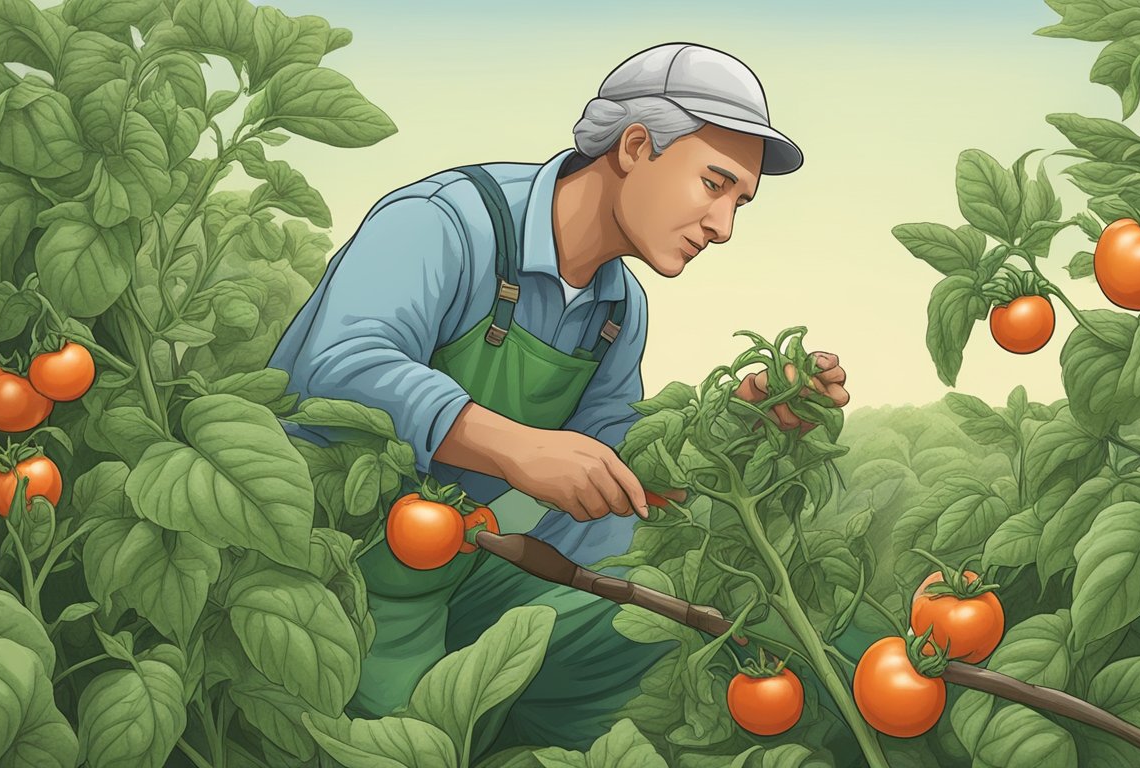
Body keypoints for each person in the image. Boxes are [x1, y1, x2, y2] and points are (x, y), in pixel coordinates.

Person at [267, 42, 851, 757]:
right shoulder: (446, 222)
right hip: (338, 562)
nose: (723, 226)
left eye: (739, 202)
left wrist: (739, 419)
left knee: (648, 620)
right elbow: (339, 368)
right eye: (713, 183)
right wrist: (519, 448)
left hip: (467, 553)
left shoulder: (618, 306)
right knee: (406, 745)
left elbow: (613, 460)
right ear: (636, 145)